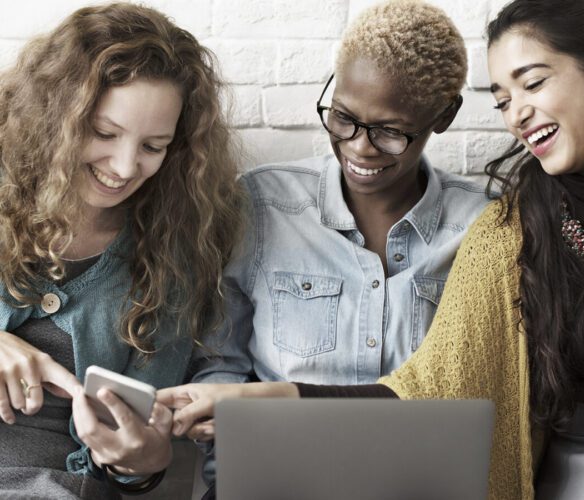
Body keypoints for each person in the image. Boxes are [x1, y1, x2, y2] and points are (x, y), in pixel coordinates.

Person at [161, 0, 584, 499]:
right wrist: (261, 399)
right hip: (582, 478)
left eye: (534, 82)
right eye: (502, 98)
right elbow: (428, 387)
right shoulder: (508, 233)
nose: (517, 113)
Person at [157, 0, 489, 490]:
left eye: (391, 132)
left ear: (445, 116)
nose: (359, 147)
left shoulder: (484, 227)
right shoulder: (263, 205)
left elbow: (474, 390)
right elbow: (219, 365)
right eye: (343, 118)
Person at [0, 3, 242, 498]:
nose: (126, 166)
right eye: (105, 134)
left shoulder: (174, 253)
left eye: (153, 146)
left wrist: (143, 462)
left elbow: (132, 463)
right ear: (56, 117)